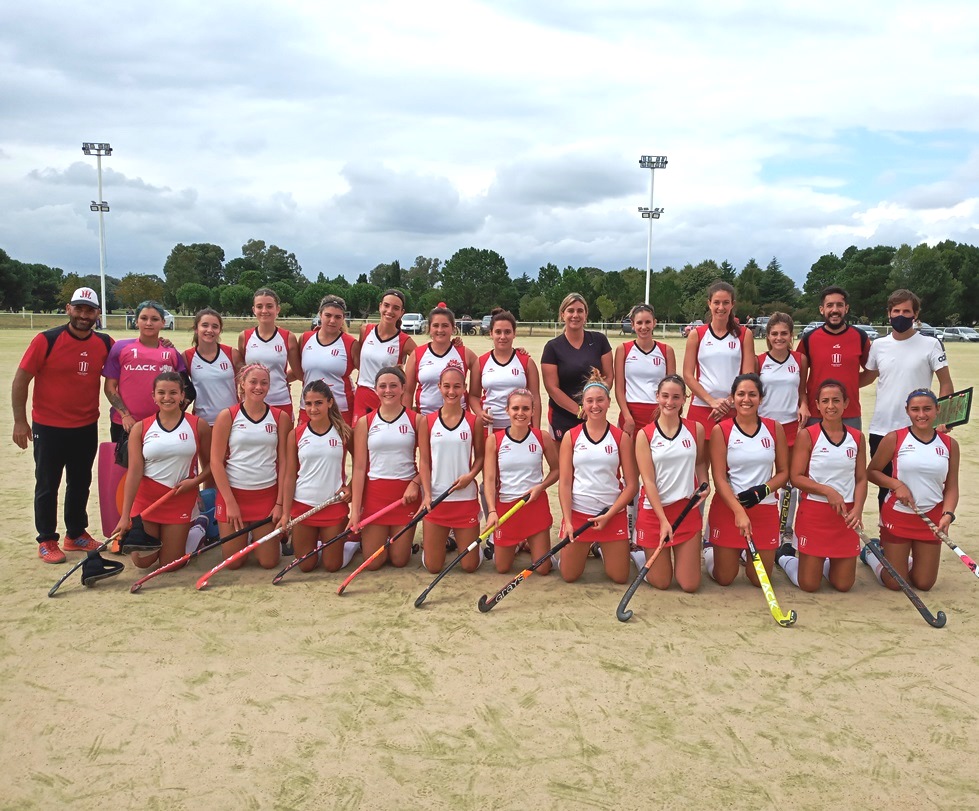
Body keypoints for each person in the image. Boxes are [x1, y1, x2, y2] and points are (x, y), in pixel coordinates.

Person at [12, 286, 113, 562]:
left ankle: (76, 534)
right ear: (69, 309)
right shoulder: (46, 340)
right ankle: (46, 539)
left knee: (80, 481)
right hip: (49, 427)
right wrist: (20, 421)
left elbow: (126, 361)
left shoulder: (105, 343)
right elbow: (21, 380)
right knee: (47, 483)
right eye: (78, 308)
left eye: (89, 310)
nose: (83, 315)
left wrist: (163, 344)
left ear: (97, 313)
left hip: (85, 425)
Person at [861, 289, 953, 507]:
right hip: (882, 428)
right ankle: (886, 529)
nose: (900, 316)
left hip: (918, 428)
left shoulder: (930, 344)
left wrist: (944, 418)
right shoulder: (879, 345)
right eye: (896, 311)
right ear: (889, 314)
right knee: (886, 488)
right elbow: (868, 377)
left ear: (915, 314)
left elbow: (946, 383)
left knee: (918, 487)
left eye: (906, 311)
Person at [113, 372, 211, 569]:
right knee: (142, 562)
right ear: (154, 396)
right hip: (147, 501)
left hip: (179, 497)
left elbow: (213, 465)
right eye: (161, 393)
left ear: (182, 395)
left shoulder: (198, 425)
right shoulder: (141, 428)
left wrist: (195, 482)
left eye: (173, 392)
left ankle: (198, 528)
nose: (167, 398)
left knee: (170, 565)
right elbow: (134, 473)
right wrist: (125, 516)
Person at [864, 389, 959, 591]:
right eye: (915, 409)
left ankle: (901, 560)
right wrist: (896, 485)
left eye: (927, 409)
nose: (921, 414)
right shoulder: (894, 438)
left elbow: (951, 487)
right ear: (907, 411)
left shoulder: (950, 444)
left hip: (931, 518)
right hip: (898, 514)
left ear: (937, 409)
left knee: (924, 583)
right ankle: (872, 553)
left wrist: (948, 515)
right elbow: (871, 472)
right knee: (896, 583)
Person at [776, 380, 866, 592]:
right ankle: (784, 558)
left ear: (846, 403)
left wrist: (858, 509)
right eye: (825, 401)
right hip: (815, 514)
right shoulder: (808, 435)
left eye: (836, 400)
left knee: (843, 585)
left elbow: (861, 478)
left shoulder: (857, 437)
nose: (830, 406)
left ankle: (826, 562)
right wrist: (828, 491)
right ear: (817, 404)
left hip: (845, 515)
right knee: (809, 584)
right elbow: (796, 477)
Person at [704, 373, 789, 586]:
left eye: (752, 394)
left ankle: (745, 552)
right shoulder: (721, 430)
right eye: (741, 394)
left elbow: (783, 472)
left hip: (764, 509)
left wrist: (764, 490)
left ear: (761, 398)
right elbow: (719, 478)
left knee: (759, 580)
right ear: (732, 397)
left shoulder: (774, 428)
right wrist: (739, 511)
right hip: (730, 508)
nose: (746, 399)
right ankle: (710, 550)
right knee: (725, 578)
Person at [557, 370, 638, 584]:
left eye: (600, 400)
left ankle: (600, 548)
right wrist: (568, 521)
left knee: (620, 577)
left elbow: (632, 485)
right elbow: (565, 483)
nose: (595, 405)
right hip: (579, 514)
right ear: (583, 404)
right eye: (590, 401)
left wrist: (610, 514)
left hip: (611, 514)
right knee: (569, 576)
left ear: (609, 402)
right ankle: (580, 547)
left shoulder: (621, 438)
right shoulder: (571, 436)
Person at [210, 363, 289, 569]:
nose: (258, 387)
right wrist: (230, 502)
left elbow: (284, 463)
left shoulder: (280, 417)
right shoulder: (227, 415)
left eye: (264, 383)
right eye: (253, 382)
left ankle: (266, 539)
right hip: (234, 495)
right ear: (242, 383)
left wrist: (280, 503)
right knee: (234, 564)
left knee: (269, 562)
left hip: (266, 496)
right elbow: (216, 462)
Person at [634, 375, 709, 592]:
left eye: (676, 397)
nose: (670, 402)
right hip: (655, 513)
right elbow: (648, 481)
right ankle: (638, 554)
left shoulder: (696, 429)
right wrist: (663, 520)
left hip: (686, 511)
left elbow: (700, 462)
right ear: (657, 397)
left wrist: (705, 484)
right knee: (662, 582)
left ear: (685, 399)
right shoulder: (645, 435)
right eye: (665, 396)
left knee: (690, 585)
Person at [349, 366, 422, 569]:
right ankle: (364, 542)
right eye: (382, 386)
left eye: (393, 386)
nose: (388, 390)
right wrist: (355, 511)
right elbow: (359, 469)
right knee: (373, 564)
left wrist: (416, 482)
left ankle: (402, 544)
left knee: (399, 561)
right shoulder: (365, 422)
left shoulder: (416, 419)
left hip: (404, 497)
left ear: (403, 388)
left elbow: (428, 461)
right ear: (375, 389)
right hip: (375, 496)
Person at [279, 381, 355, 573]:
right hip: (303, 506)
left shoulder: (344, 432)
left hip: (333, 505)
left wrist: (351, 486)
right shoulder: (295, 434)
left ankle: (351, 544)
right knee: (306, 566)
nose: (313, 409)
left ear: (330, 402)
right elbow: (289, 475)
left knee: (332, 566)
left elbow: (363, 464)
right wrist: (286, 513)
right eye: (309, 404)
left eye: (318, 403)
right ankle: (322, 544)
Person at [418, 362, 484, 574]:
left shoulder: (473, 421)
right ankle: (436, 546)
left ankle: (468, 547)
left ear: (464, 388)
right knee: (433, 567)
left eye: (457, 386)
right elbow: (424, 462)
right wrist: (427, 495)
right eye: (446, 386)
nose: (451, 391)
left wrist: (471, 475)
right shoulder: (427, 421)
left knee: (469, 566)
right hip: (437, 499)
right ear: (439, 387)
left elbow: (481, 457)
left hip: (465, 499)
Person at [483, 389, 559, 574]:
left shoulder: (542, 437)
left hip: (534, 505)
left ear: (533, 411)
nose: (520, 413)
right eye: (515, 408)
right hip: (507, 508)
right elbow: (489, 480)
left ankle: (532, 544)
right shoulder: (494, 440)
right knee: (502, 568)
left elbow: (557, 470)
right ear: (507, 410)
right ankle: (519, 543)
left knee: (543, 569)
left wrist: (541, 486)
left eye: (526, 408)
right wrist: (492, 511)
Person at [103, 300, 187, 443]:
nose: (149, 323)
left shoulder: (171, 352)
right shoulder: (120, 348)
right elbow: (109, 387)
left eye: (154, 319)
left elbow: (186, 389)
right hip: (125, 423)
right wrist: (125, 415)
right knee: (125, 459)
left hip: (161, 425)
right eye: (144, 318)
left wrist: (171, 415)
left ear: (163, 322)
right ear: (136, 321)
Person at [682, 281, 755, 435]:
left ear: (732, 304)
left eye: (726, 303)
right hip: (702, 407)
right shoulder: (697, 335)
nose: (721, 307)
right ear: (709, 303)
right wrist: (712, 401)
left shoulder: (744, 335)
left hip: (734, 408)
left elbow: (748, 376)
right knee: (700, 451)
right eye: (716, 302)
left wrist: (728, 402)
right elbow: (688, 375)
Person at [540, 293, 613, 441]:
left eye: (580, 311)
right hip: (562, 417)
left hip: (594, 414)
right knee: (563, 457)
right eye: (570, 310)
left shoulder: (599, 340)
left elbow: (608, 376)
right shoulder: (552, 347)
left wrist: (594, 404)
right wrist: (580, 411)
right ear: (562, 315)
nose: (575, 315)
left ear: (585, 315)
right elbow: (552, 388)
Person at [797, 286, 869, 430]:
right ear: (822, 309)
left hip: (850, 413)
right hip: (816, 413)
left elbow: (871, 372)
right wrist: (803, 404)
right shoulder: (809, 339)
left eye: (839, 305)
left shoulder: (860, 337)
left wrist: (847, 386)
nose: (835, 310)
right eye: (829, 305)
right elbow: (798, 377)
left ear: (846, 308)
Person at [238, 287, 301, 423]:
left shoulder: (288, 337)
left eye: (269, 306)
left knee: (284, 437)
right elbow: (242, 372)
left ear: (277, 309)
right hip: (251, 402)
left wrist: (279, 380)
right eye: (259, 306)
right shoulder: (245, 336)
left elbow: (298, 373)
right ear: (253, 309)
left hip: (280, 401)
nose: (264, 310)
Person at [472, 308, 541, 432]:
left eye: (507, 332)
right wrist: (479, 413)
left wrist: (536, 431)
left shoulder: (526, 361)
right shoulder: (481, 362)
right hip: (489, 429)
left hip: (520, 429)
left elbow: (535, 397)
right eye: (498, 332)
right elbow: (473, 396)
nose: (502, 337)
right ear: (491, 333)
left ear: (514, 333)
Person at [614, 303, 676, 437]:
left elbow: (672, 389)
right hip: (631, 414)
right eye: (639, 323)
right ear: (632, 324)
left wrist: (666, 414)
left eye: (648, 322)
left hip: (658, 413)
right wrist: (626, 416)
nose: (643, 327)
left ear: (654, 323)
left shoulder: (666, 351)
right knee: (629, 450)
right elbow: (619, 388)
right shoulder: (623, 350)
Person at [404, 305, 478, 416]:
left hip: (460, 420)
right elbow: (407, 393)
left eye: (445, 325)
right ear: (429, 329)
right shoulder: (417, 354)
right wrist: (407, 419)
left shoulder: (465, 353)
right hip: (426, 419)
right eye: (435, 325)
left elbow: (485, 374)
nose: (440, 330)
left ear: (453, 328)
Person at [353, 289, 416, 420]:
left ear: (402, 312)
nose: (389, 311)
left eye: (396, 308)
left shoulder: (405, 341)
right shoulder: (365, 330)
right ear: (380, 306)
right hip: (363, 395)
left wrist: (452, 345)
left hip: (388, 397)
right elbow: (358, 361)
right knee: (359, 432)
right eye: (386, 305)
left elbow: (425, 358)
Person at [298, 295, 359, 426]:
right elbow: (300, 371)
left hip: (341, 409)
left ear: (343, 318)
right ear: (320, 315)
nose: (332, 320)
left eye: (337, 317)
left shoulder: (350, 343)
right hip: (309, 407)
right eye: (328, 315)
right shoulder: (305, 339)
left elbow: (366, 373)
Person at [183, 308, 242, 426]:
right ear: (196, 329)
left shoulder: (232, 354)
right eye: (205, 325)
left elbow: (247, 383)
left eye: (215, 326)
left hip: (232, 420)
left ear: (220, 330)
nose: (210, 330)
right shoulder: (186, 356)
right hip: (202, 422)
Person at [757, 312, 808, 449]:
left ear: (791, 335)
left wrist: (804, 405)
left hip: (792, 424)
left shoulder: (800, 359)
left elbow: (802, 392)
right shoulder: (759, 361)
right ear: (768, 336)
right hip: (764, 424)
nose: (779, 338)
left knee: (790, 463)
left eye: (784, 333)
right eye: (774, 334)